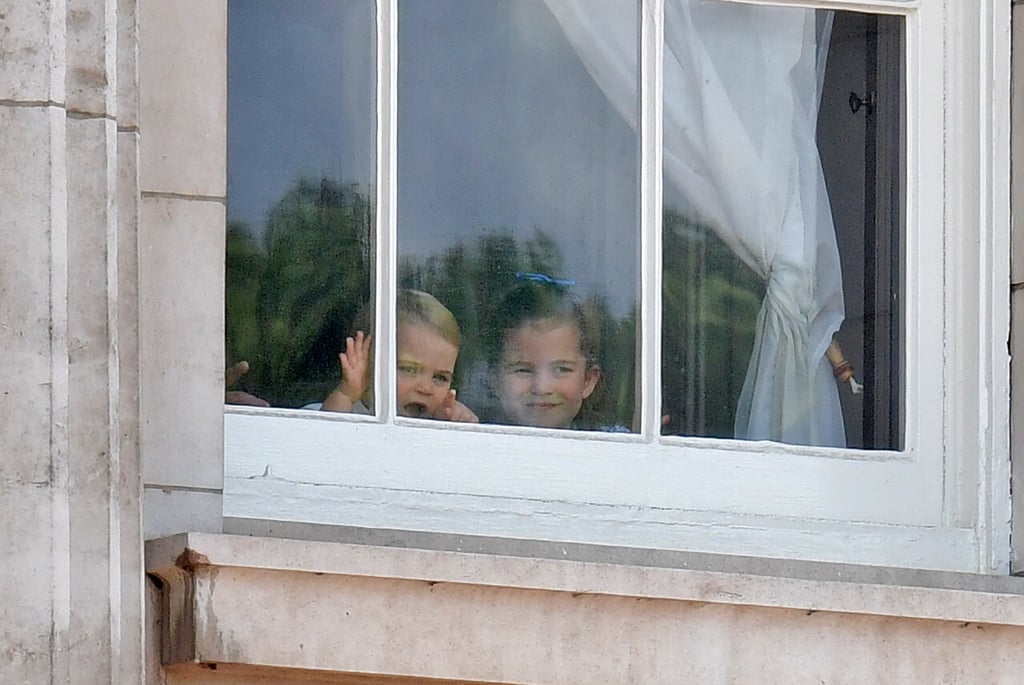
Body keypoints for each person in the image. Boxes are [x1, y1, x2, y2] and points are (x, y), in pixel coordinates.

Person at [321, 289, 478, 422]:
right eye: (409, 369)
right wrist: (346, 394)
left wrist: (454, 427)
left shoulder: (438, 419)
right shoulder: (337, 412)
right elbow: (323, 439)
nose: (426, 388)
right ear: (366, 364)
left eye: (440, 377)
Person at [491, 278, 601, 429]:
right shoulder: (471, 439)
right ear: (494, 380)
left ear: (588, 380)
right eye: (523, 370)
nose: (542, 388)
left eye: (561, 369)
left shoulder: (616, 447)